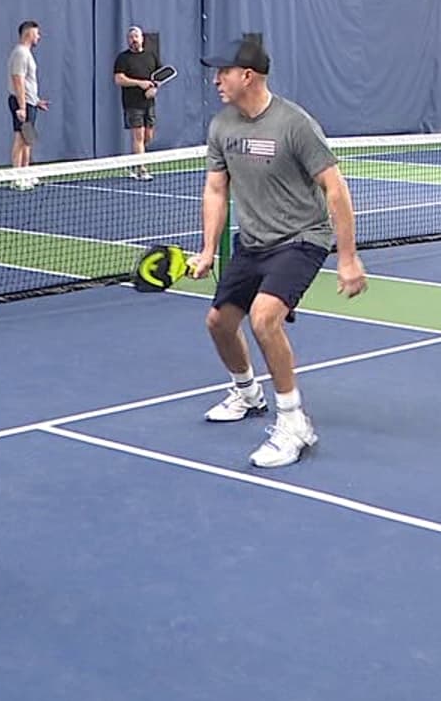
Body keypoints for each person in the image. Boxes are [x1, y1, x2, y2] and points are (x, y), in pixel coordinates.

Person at [186, 37, 367, 469]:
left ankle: (293, 423)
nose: (216, 80)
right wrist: (209, 249)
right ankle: (248, 395)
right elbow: (216, 188)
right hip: (251, 241)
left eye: (223, 72)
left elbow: (335, 189)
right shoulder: (222, 126)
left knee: (265, 318)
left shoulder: (294, 125)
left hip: (301, 237)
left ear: (247, 75)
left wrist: (347, 257)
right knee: (219, 322)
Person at [112, 25, 160, 180]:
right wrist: (139, 83)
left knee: (148, 136)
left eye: (136, 37)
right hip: (132, 104)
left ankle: (135, 161)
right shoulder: (122, 58)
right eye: (130, 37)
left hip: (149, 103)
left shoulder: (151, 56)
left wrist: (155, 89)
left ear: (142, 38)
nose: (133, 40)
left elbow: (159, 77)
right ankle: (141, 169)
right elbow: (119, 79)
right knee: (138, 136)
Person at [7, 20, 50, 186]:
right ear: (28, 33)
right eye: (36, 33)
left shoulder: (26, 53)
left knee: (28, 139)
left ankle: (26, 172)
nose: (39, 36)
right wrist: (22, 106)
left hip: (30, 102)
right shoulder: (20, 53)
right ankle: (16, 177)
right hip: (21, 103)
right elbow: (18, 80)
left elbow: (28, 82)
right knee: (20, 138)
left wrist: (36, 101)